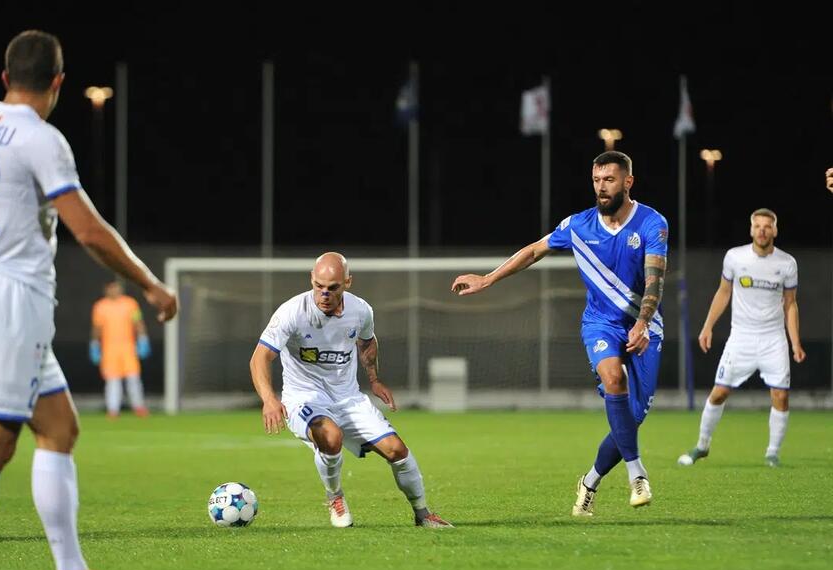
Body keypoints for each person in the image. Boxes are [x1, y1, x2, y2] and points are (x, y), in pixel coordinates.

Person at [0, 29, 177, 570]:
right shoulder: (41, 139)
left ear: (5, 78)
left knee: (58, 427)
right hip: (14, 302)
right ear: (58, 83)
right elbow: (87, 230)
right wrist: (149, 284)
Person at [452, 151, 667, 517]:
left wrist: (643, 322)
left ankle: (590, 482)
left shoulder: (651, 222)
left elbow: (654, 279)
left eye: (610, 180)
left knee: (630, 419)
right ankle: (637, 475)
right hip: (600, 324)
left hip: (646, 326)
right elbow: (534, 251)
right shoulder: (578, 226)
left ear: (628, 182)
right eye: (597, 180)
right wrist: (488, 278)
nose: (601, 187)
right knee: (614, 378)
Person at [249, 252, 452, 528]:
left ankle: (423, 514)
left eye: (332, 287)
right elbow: (259, 357)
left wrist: (375, 380)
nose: (324, 293)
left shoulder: (361, 311)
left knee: (397, 451)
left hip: (349, 399)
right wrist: (269, 399)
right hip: (304, 399)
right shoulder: (292, 312)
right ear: (311, 278)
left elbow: (367, 343)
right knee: (331, 437)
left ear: (347, 282)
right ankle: (335, 497)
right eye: (319, 285)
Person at [677, 209, 804, 468]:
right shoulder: (735, 257)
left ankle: (772, 453)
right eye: (757, 226)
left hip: (773, 339)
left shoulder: (787, 263)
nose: (762, 230)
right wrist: (707, 326)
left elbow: (790, 304)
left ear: (775, 231)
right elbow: (724, 292)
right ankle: (702, 446)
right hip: (741, 338)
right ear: (751, 230)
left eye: (767, 226)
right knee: (719, 392)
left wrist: (795, 342)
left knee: (780, 396)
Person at [91, 279, 151, 418]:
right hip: (109, 349)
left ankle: (139, 407)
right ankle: (113, 410)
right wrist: (94, 344)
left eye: (116, 287)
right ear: (106, 289)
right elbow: (97, 328)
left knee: (133, 378)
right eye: (111, 288)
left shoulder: (130, 304)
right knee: (112, 380)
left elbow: (138, 323)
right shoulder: (100, 306)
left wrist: (143, 339)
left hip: (128, 347)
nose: (114, 290)